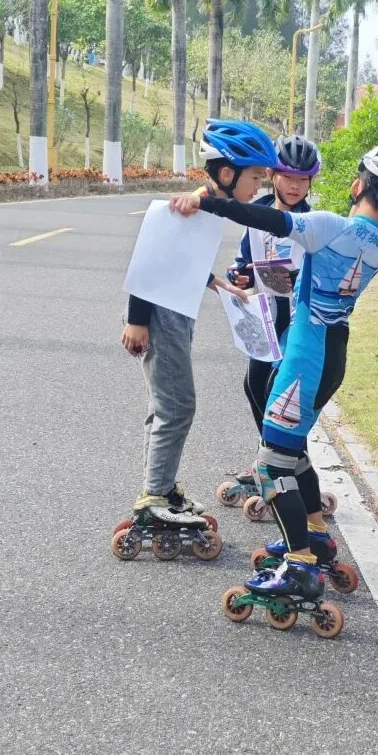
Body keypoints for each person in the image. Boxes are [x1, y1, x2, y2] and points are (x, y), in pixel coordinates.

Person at [171, 145, 378, 603]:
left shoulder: (332, 226)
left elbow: (267, 219)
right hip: (332, 355)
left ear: (357, 186)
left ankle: (300, 567)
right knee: (293, 452)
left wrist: (206, 201)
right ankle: (316, 535)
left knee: (271, 466)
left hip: (305, 355)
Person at [118, 119, 278, 528]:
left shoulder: (207, 208)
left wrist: (221, 285)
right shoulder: (189, 207)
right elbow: (152, 258)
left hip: (174, 312)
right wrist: (137, 320)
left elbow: (183, 261)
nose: (258, 186)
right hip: (159, 314)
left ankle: (161, 486)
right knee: (178, 406)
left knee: (166, 406)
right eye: (255, 177)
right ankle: (154, 496)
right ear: (226, 174)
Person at [216, 135, 321, 508]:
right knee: (253, 387)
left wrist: (298, 278)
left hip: (295, 321)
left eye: (303, 179)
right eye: (288, 176)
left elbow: (321, 274)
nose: (294, 186)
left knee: (281, 399)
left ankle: (290, 469)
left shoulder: (311, 223)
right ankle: (271, 462)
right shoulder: (257, 212)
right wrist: (239, 273)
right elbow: (243, 260)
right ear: (273, 175)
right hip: (263, 317)